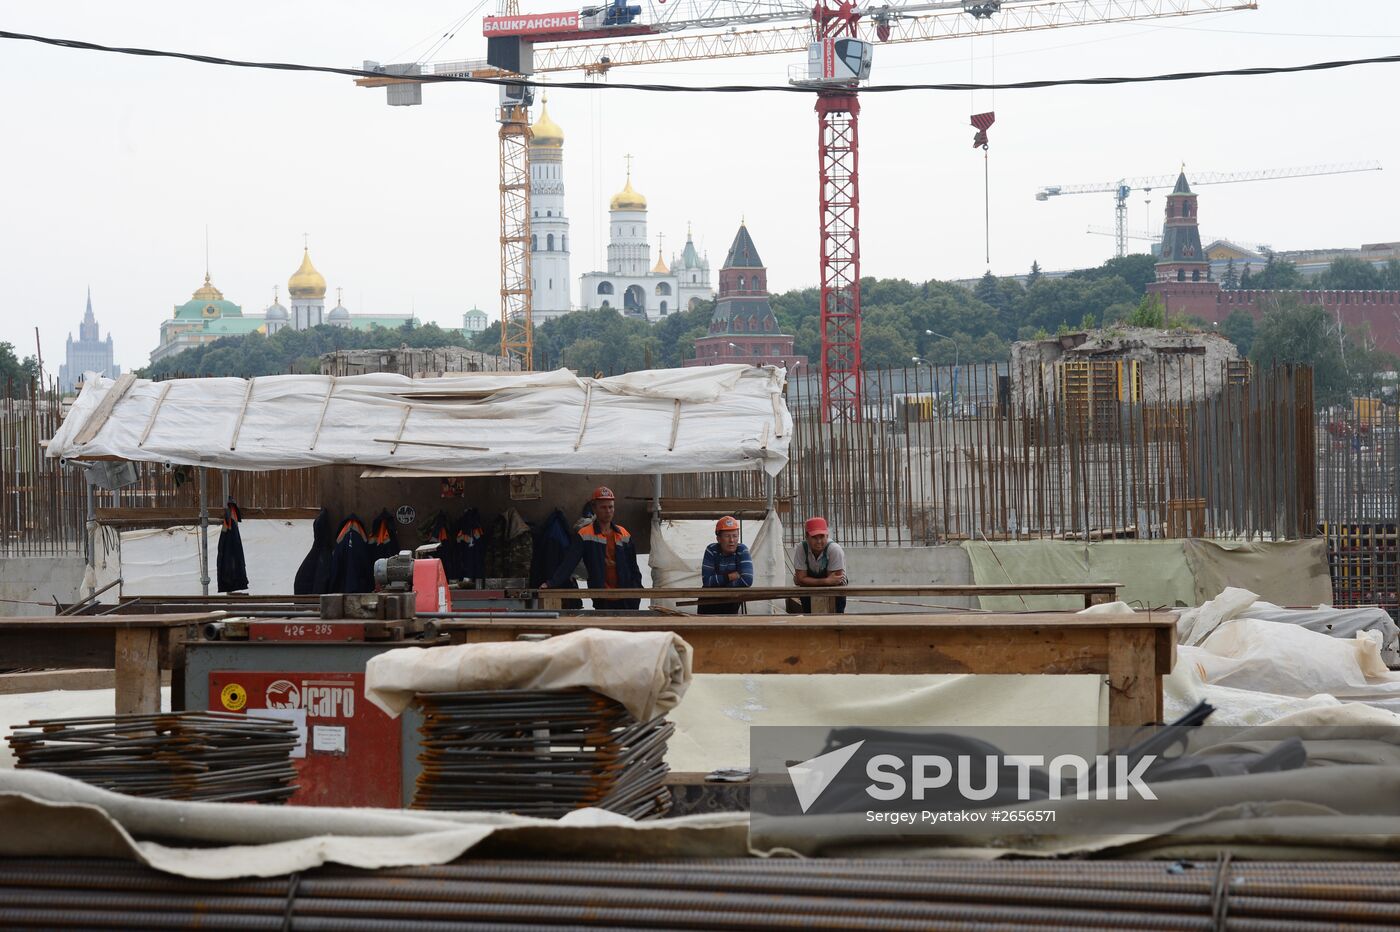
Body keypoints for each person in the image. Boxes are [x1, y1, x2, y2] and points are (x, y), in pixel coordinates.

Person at [542, 486, 643, 610]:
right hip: (601, 597)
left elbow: (634, 568)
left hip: (626, 597)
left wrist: (637, 592)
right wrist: (551, 583)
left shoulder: (623, 534)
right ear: (594, 508)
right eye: (603, 507)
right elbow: (569, 563)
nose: (608, 511)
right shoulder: (585, 534)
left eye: (611, 507)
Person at [792, 516, 847, 613]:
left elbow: (835, 581)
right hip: (808, 592)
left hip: (835, 592)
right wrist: (826, 580)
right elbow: (801, 579)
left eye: (822, 536)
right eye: (814, 537)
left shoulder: (835, 550)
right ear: (806, 536)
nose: (819, 541)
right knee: (810, 620)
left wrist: (806, 580)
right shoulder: (801, 549)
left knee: (835, 620)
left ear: (827, 535)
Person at [699, 515, 753, 614]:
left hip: (731, 600)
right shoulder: (711, 550)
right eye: (727, 536)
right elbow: (707, 581)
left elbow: (747, 580)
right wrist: (729, 577)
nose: (732, 540)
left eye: (735, 536)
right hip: (708, 601)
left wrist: (719, 584)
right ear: (718, 538)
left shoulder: (742, 550)